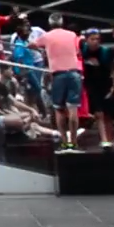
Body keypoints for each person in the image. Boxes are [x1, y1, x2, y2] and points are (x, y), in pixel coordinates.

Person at [40, 13, 84, 151]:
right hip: (74, 73)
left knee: (59, 109)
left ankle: (65, 142)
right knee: (73, 109)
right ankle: (74, 142)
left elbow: (32, 44)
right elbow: (78, 48)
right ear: (62, 22)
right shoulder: (71, 35)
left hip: (58, 75)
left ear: (50, 23)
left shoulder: (46, 36)